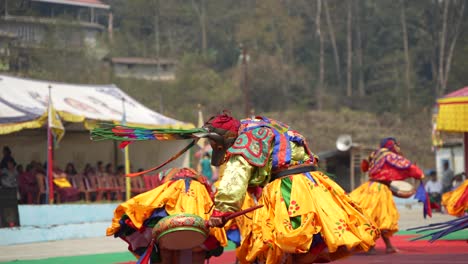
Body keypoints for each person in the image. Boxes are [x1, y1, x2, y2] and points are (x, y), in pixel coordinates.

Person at [204, 111, 378, 264]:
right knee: (305, 245)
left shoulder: (245, 139)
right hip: (314, 183)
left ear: (224, 137)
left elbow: (235, 177)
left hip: (288, 188)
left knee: (280, 247)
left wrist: (221, 212)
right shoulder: (267, 125)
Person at [106, 167, 227, 264]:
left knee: (167, 248)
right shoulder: (201, 190)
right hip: (196, 230)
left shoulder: (170, 186)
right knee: (195, 249)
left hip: (176, 229)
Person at [350, 137, 424, 254]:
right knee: (379, 218)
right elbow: (408, 167)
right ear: (391, 145)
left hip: (368, 186)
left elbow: (364, 167)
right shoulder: (390, 156)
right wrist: (420, 174)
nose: (397, 148)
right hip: (380, 189)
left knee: (374, 217)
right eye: (396, 145)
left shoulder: (375, 154)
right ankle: (372, 246)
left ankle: (386, 246)